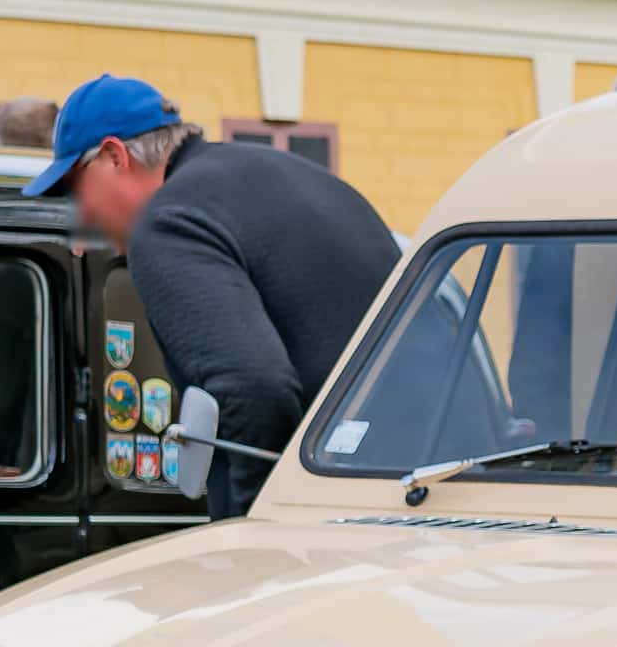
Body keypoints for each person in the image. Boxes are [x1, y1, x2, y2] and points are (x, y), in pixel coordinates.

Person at [32, 75, 398, 516]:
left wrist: (253, 527)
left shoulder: (168, 220)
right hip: (419, 489)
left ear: (114, 156)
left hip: (337, 515)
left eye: (77, 189)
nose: (82, 214)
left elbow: (252, 386)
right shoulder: (295, 176)